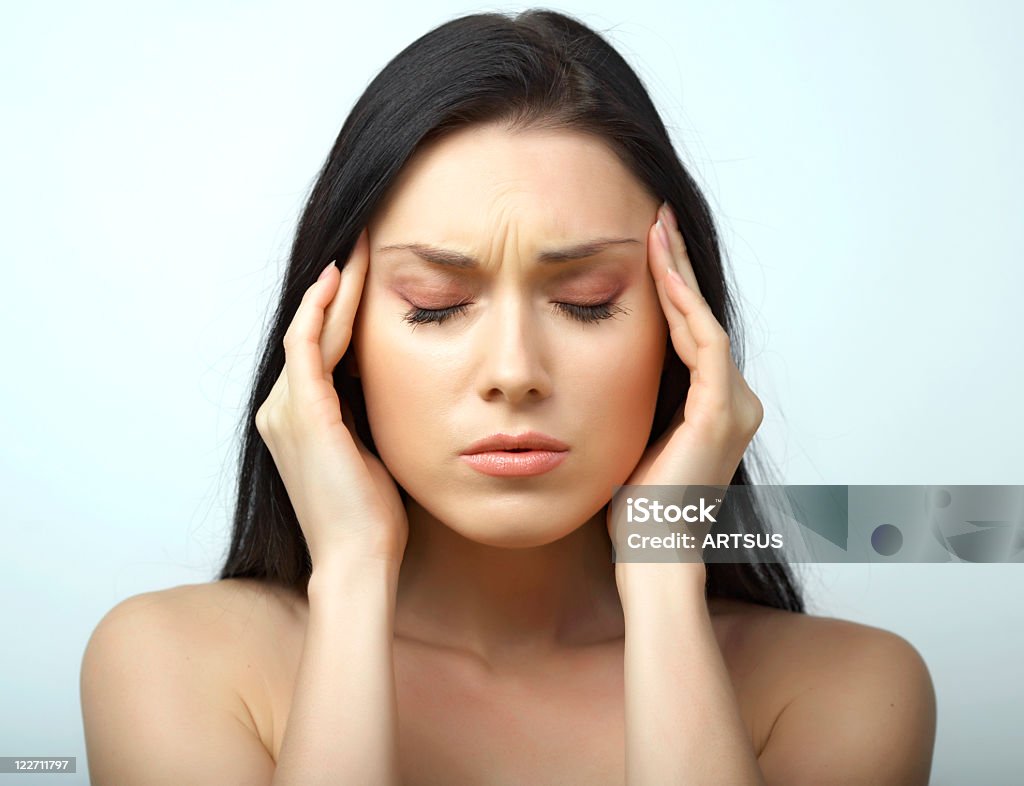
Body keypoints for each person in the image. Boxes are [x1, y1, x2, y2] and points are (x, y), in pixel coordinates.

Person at [80, 9, 937, 785]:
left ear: (685, 335)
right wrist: (349, 577)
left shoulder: (844, 690)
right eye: (437, 306)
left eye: (588, 300)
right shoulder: (175, 663)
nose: (515, 369)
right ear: (334, 344)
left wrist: (665, 567)